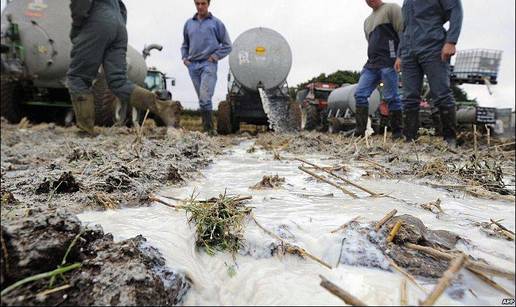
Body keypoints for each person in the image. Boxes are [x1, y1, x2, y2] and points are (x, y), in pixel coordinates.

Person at [67, 0, 181, 135]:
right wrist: (117, 26)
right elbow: (122, 8)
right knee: (118, 81)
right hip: (119, 27)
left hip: (96, 22)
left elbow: (80, 5)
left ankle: (86, 129)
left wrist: (77, 27)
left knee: (78, 77)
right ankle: (164, 107)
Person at [395, 0, 463, 146]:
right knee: (409, 97)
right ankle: (410, 139)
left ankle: (450, 139)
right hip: (408, 52)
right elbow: (404, 28)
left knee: (441, 93)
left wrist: (451, 41)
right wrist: (400, 54)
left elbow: (456, 11)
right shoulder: (407, 2)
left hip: (433, 47)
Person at [181, 0, 232, 135]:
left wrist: (214, 57)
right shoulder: (188, 23)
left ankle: (209, 130)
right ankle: (208, 128)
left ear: (208, 4)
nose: (200, 6)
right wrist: (185, 59)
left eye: (203, 3)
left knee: (204, 98)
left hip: (208, 64)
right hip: (192, 66)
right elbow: (185, 44)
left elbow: (228, 45)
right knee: (202, 100)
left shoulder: (216, 23)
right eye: (197, 3)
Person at [354, 0, 403, 139]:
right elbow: (371, 43)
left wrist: (400, 56)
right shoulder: (367, 22)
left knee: (391, 97)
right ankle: (360, 132)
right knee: (360, 94)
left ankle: (397, 133)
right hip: (372, 64)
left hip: (389, 61)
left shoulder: (391, 9)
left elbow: (402, 32)